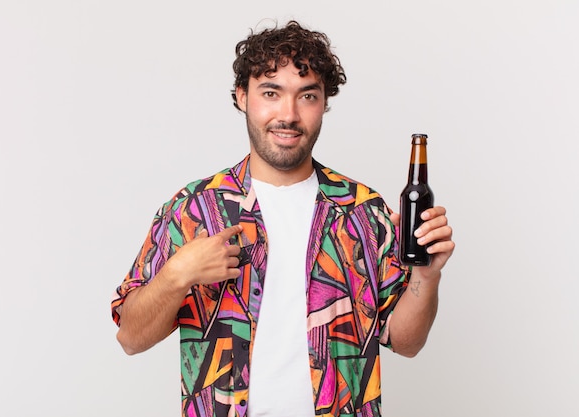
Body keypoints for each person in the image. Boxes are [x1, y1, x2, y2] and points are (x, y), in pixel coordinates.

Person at [111, 20, 454, 417]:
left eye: (306, 96)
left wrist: (426, 276)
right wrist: (177, 273)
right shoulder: (195, 209)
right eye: (271, 93)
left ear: (324, 102)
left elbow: (406, 341)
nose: (288, 115)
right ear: (242, 96)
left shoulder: (363, 211)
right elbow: (131, 338)